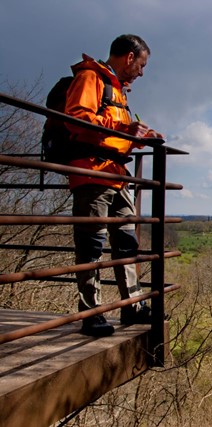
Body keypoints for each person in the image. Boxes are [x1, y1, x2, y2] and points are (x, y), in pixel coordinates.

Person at [64, 34, 163, 337]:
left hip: (116, 176)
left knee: (126, 242)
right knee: (92, 245)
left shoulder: (118, 91)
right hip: (92, 174)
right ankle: (91, 313)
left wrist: (138, 137)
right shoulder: (91, 77)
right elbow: (76, 119)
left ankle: (132, 307)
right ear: (130, 57)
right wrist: (123, 127)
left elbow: (113, 134)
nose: (142, 73)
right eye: (142, 65)